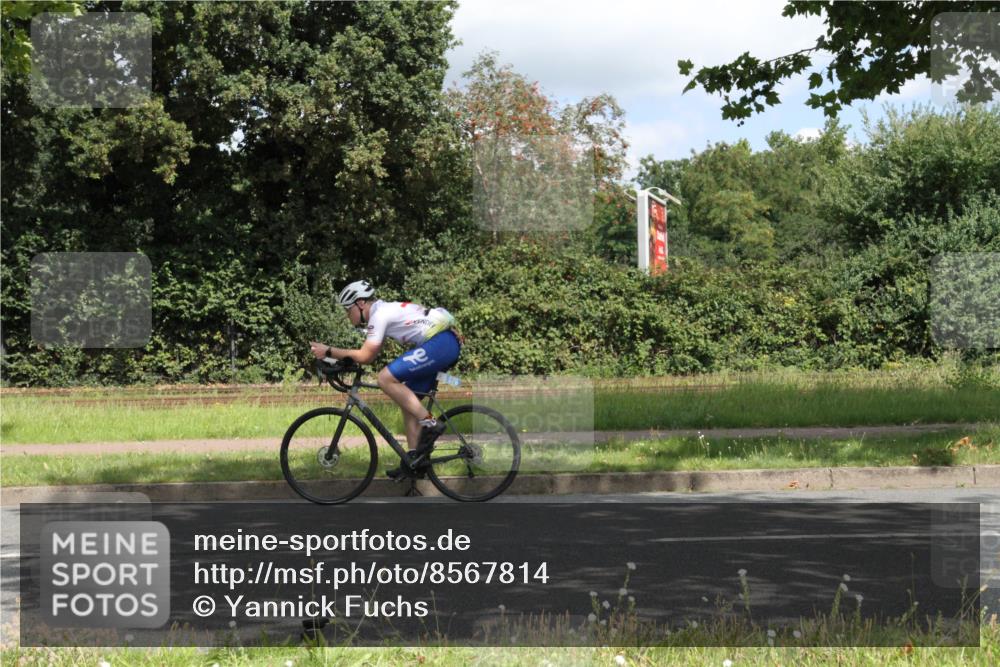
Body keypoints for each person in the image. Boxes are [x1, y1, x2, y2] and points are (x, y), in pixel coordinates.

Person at [310, 280, 462, 479]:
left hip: (440, 343)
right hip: (441, 342)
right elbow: (369, 356)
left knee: (385, 378)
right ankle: (414, 461)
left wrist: (328, 351)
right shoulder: (383, 312)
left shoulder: (379, 315)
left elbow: (365, 356)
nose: (348, 316)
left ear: (361, 303)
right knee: (408, 401)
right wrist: (339, 358)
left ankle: (432, 424)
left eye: (348, 311)